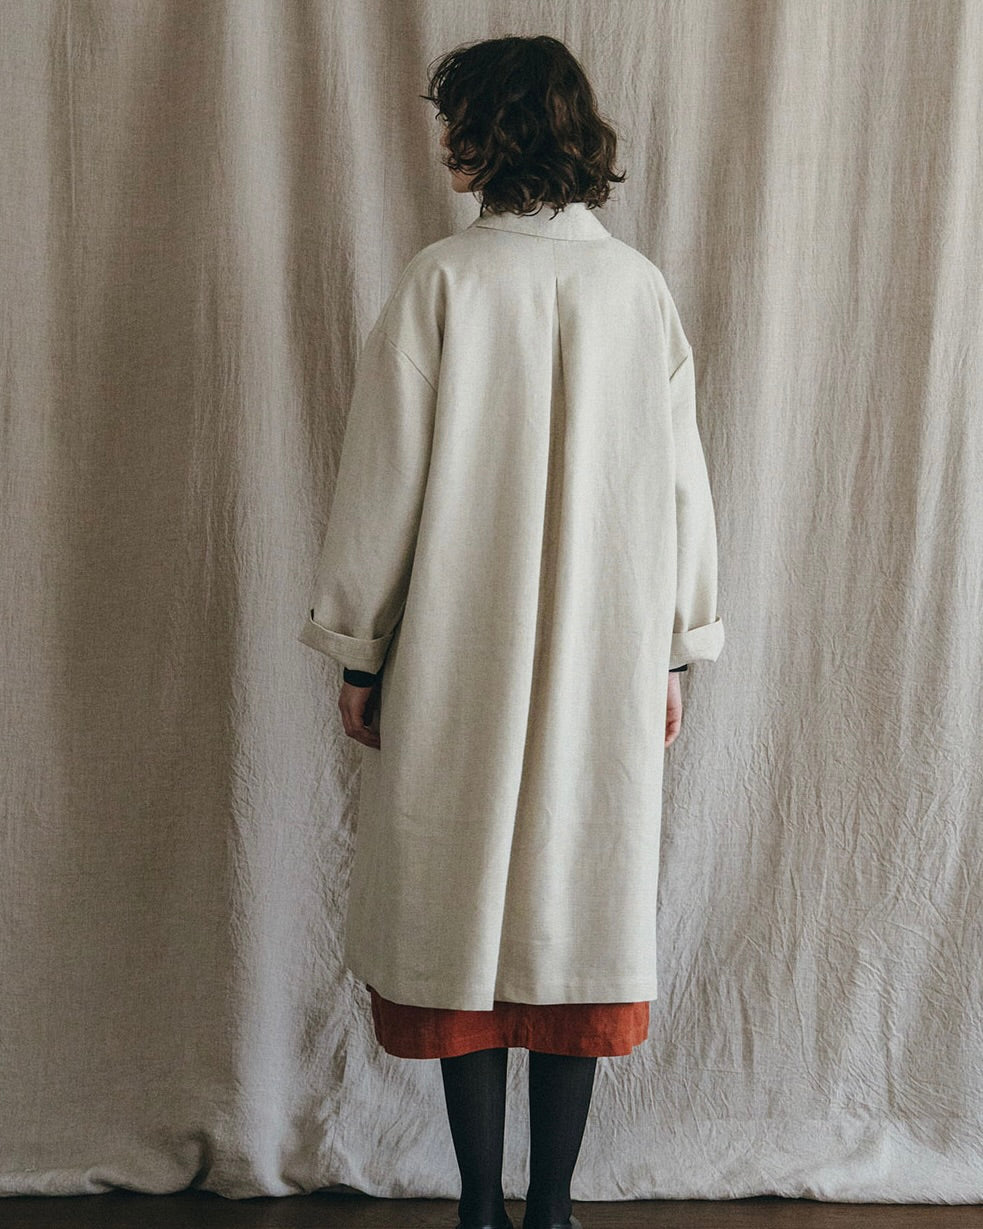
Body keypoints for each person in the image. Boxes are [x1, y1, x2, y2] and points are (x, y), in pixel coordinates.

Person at [299, 34, 724, 1229]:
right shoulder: (634, 291)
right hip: (606, 656)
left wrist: (360, 647)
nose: (443, 141)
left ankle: (481, 1207)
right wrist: (672, 648)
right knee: (572, 906)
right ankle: (552, 1211)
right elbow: (681, 490)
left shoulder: (442, 283)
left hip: (455, 656)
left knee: (459, 908)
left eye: (455, 121)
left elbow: (381, 483)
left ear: (490, 135)